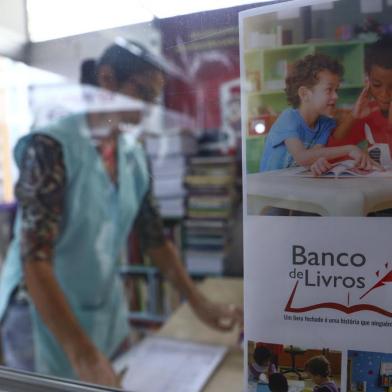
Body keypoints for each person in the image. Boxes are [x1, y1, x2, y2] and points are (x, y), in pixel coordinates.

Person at [0, 39, 242, 387]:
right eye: (140, 92)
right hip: (40, 312)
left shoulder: (131, 153)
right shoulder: (51, 148)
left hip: (100, 307)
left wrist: (198, 302)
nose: (145, 108)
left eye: (152, 99)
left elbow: (155, 239)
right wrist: (82, 353)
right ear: (107, 79)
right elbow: (34, 260)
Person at [259, 53, 377, 176]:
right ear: (305, 94)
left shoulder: (325, 124)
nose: (336, 96)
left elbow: (315, 156)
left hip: (293, 188)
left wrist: (317, 163)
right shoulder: (288, 118)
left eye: (336, 90)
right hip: (269, 187)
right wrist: (350, 149)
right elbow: (302, 157)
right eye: (329, 90)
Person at [328, 34, 392, 154]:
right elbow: (332, 152)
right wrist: (353, 117)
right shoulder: (369, 113)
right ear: (368, 81)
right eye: (377, 85)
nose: (385, 94)